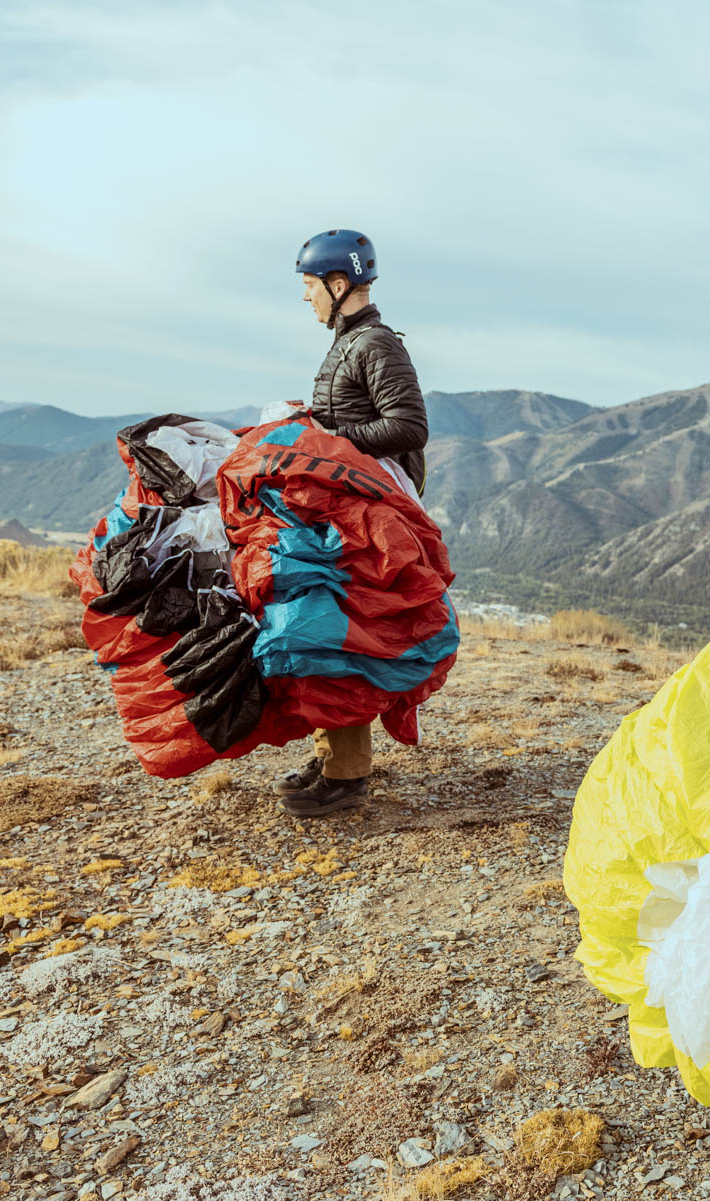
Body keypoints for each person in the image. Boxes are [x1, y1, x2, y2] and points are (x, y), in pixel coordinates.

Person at [274, 228, 430, 817]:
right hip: (347, 507)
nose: (307, 298)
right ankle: (332, 756)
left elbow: (409, 427)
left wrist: (330, 439)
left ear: (340, 285)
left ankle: (348, 776)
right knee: (325, 626)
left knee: (341, 635)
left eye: (311, 286)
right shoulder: (347, 344)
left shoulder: (376, 345)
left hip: (372, 518)